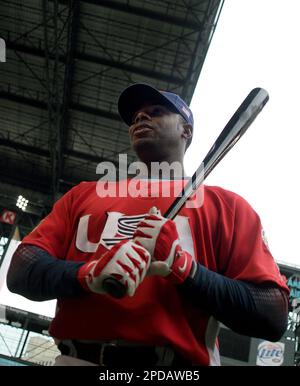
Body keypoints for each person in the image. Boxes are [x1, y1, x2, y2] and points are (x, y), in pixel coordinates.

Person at [7, 83, 289, 366]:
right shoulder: (83, 195)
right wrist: (88, 274)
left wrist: (183, 268)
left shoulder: (226, 206)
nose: (141, 118)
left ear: (186, 131)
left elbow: (272, 315)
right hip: (75, 360)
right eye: (136, 116)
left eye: (155, 112)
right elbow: (21, 270)